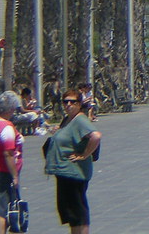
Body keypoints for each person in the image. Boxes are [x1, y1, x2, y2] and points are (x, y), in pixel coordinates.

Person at [45, 88, 102, 234]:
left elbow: (96, 136)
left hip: (74, 172)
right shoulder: (68, 119)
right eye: (65, 102)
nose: (68, 104)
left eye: (73, 102)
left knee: (78, 211)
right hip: (64, 172)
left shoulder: (80, 120)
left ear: (79, 103)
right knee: (71, 212)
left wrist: (84, 155)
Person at [0, 91, 24, 234]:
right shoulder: (6, 127)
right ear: (10, 109)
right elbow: (8, 153)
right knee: (2, 209)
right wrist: (14, 175)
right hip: (3, 171)